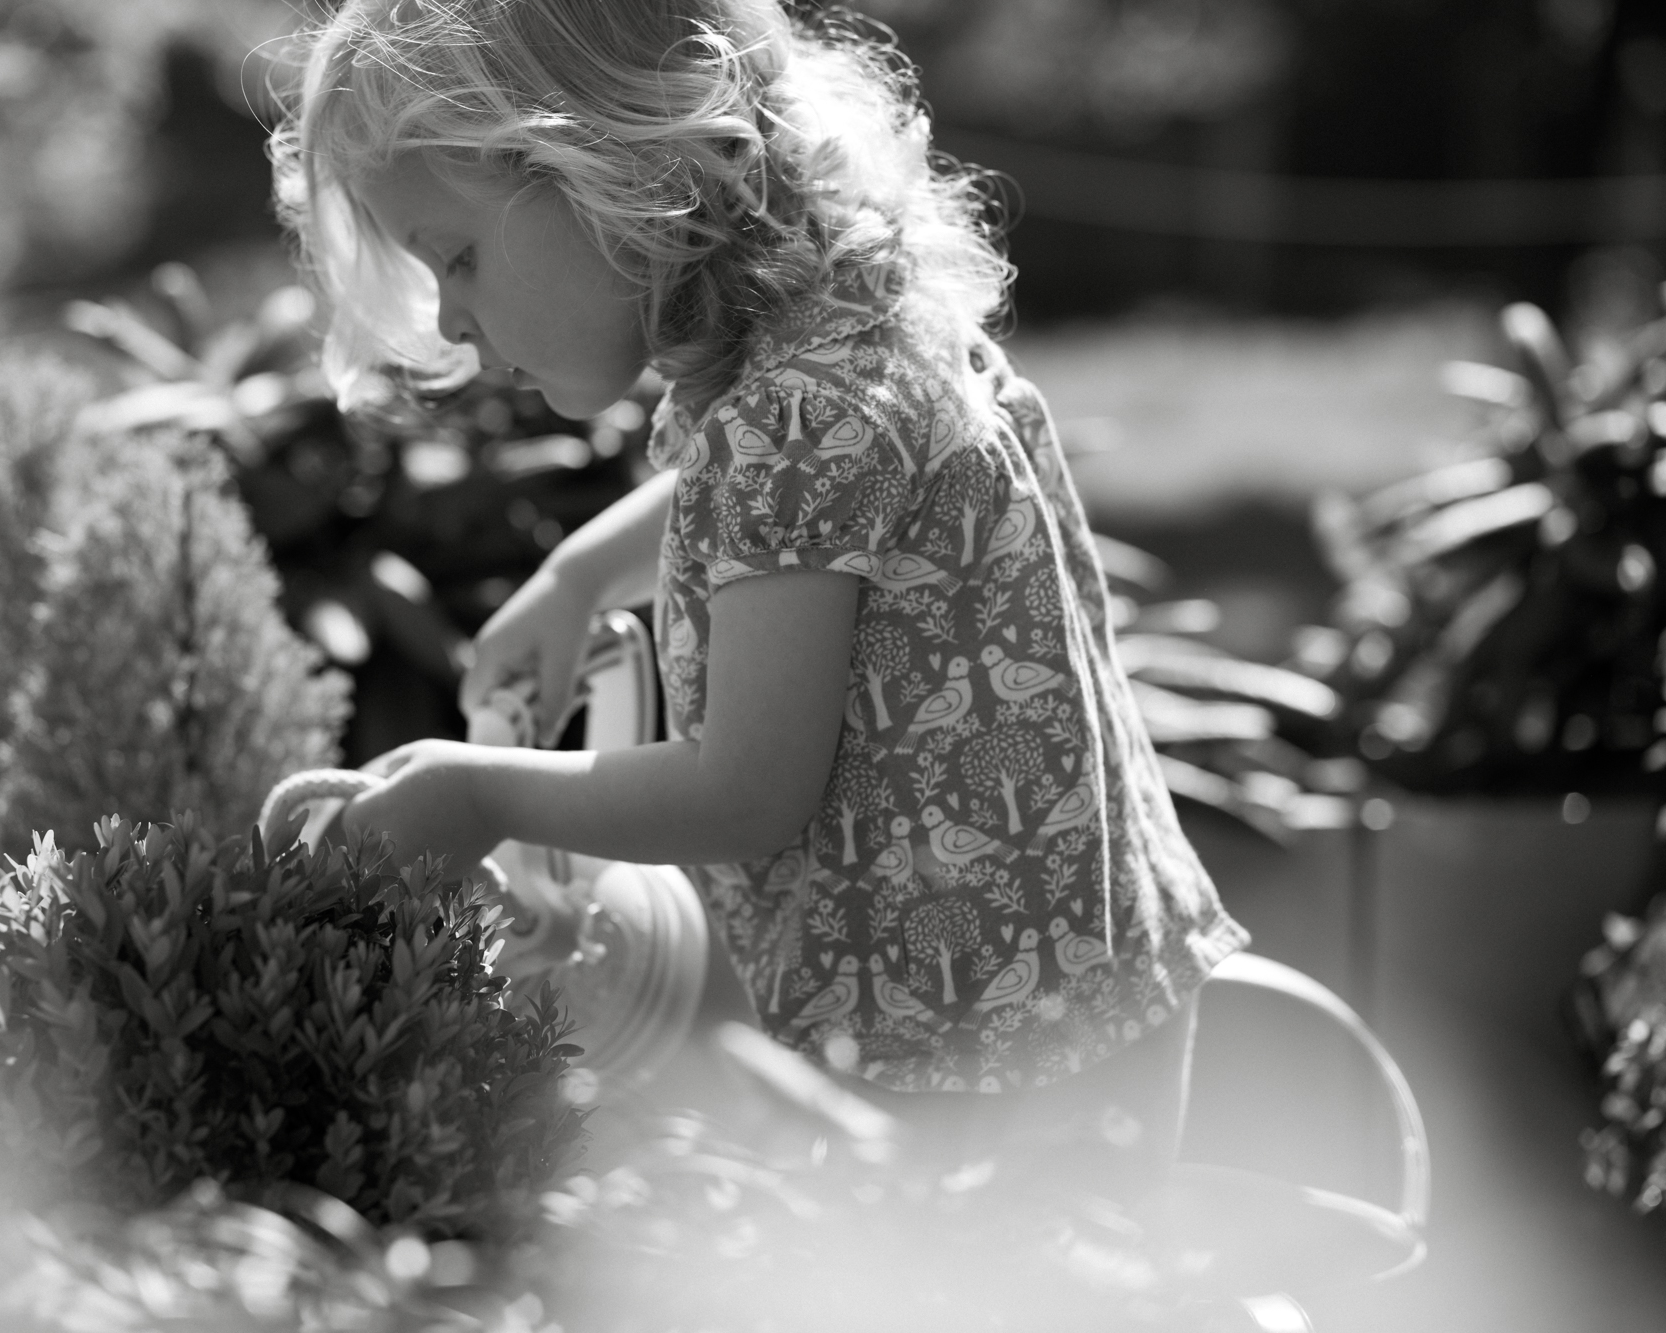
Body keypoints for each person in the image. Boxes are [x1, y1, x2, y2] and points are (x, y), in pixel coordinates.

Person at [272, 0, 1248, 1189]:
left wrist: (481, 796)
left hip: (983, 1056)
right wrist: (581, 573)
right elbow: (785, 514)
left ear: (611, 168)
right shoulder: (842, 341)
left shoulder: (789, 421)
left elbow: (743, 791)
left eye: (456, 254)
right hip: (1069, 980)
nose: (453, 318)